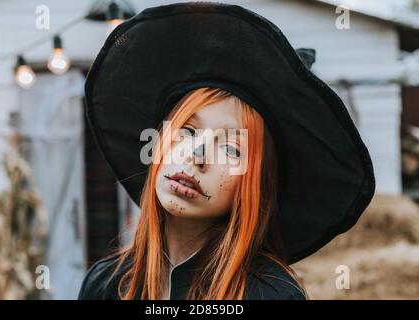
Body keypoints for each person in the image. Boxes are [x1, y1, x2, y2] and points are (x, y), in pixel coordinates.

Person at [78, 2, 375, 300]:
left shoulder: (271, 296)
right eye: (188, 131)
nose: (197, 155)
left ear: (257, 184)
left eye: (232, 149)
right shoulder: (104, 285)